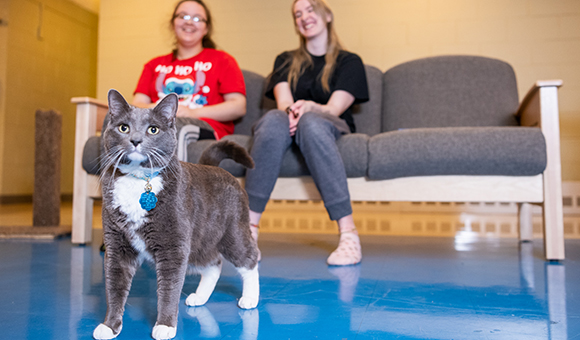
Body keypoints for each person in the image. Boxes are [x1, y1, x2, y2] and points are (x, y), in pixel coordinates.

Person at [245, 0, 369, 266]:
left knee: (311, 121)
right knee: (273, 119)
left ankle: (348, 234)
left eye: (310, 9)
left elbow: (335, 108)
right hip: (288, 122)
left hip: (327, 124)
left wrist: (310, 108)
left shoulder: (350, 61)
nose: (304, 17)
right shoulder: (285, 60)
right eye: (297, 14)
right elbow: (283, 104)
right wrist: (293, 113)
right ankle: (247, 231)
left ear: (327, 15)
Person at [133, 0, 246, 160]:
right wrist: (156, 109)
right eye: (183, 16)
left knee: (176, 126)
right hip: (155, 124)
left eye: (197, 18)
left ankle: (173, 185)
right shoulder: (154, 65)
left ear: (206, 28)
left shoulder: (222, 60)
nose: (189, 21)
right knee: (115, 121)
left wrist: (193, 112)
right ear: (173, 23)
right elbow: (137, 105)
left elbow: (238, 106)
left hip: (203, 127)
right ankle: (116, 183)